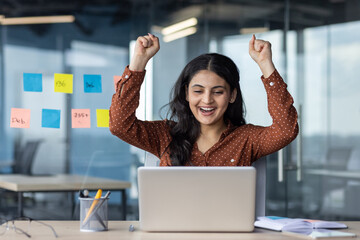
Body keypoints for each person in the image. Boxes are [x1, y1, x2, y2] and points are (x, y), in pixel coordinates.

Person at [109, 33, 298, 166]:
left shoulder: (247, 139)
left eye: (218, 92)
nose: (207, 100)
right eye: (198, 91)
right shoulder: (165, 135)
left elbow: (286, 131)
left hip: (229, 223)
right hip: (173, 223)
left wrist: (266, 64)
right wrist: (139, 62)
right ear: (186, 93)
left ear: (232, 95)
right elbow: (119, 124)